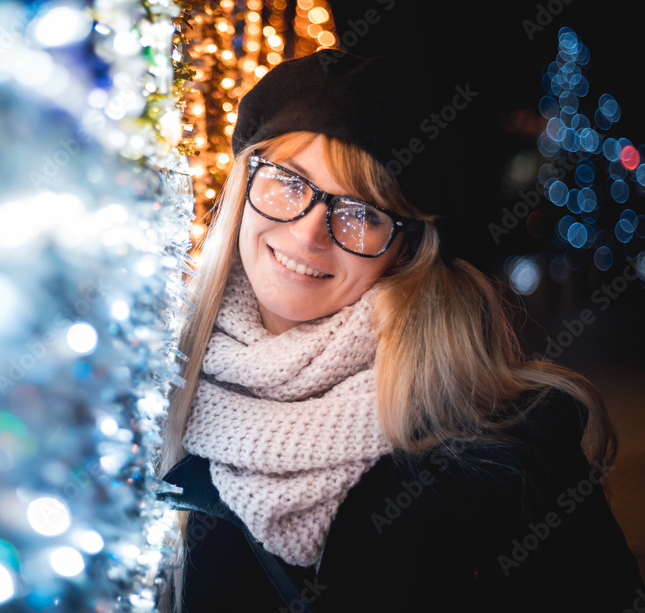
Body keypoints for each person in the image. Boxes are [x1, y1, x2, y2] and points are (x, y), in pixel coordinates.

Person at [155, 49, 644, 613]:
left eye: (361, 213)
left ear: (407, 248)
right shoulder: (158, 389)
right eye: (290, 181)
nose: (311, 233)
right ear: (246, 183)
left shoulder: (508, 450)